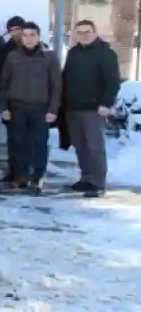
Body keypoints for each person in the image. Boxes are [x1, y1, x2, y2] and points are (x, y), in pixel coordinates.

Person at [0, 22, 62, 191]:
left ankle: (37, 177)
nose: (28, 39)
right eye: (25, 35)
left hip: (40, 108)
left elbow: (56, 86)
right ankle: (20, 176)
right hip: (16, 107)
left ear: (39, 36)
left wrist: (53, 110)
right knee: (18, 143)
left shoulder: (49, 57)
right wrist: (3, 108)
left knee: (40, 143)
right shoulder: (13, 56)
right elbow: (4, 84)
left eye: (32, 35)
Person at [62, 20, 120, 198]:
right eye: (79, 32)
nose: (84, 35)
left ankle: (98, 182)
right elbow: (66, 77)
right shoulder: (73, 53)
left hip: (94, 109)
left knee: (95, 147)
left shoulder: (106, 53)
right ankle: (86, 178)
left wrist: (106, 103)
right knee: (80, 146)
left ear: (95, 33)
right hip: (73, 108)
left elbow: (112, 81)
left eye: (87, 31)